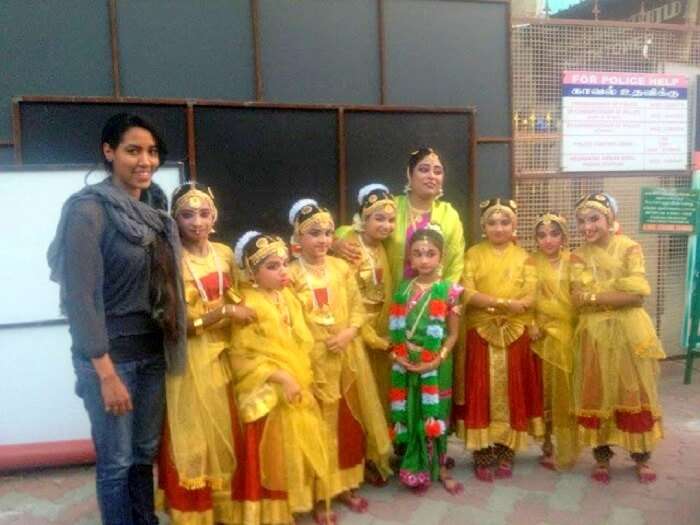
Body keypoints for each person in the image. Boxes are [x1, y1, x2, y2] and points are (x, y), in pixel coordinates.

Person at [47, 113, 186, 524]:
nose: (145, 160)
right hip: (111, 359)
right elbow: (79, 298)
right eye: (133, 150)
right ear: (109, 153)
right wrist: (105, 373)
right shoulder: (88, 211)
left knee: (143, 454)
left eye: (152, 151)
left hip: (152, 354)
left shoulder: (156, 211)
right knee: (116, 461)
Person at [287, 199, 392, 525]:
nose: (322, 240)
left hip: (347, 357)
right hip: (311, 363)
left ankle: (345, 485)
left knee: (347, 425)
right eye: (314, 233)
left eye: (328, 233)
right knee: (317, 429)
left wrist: (348, 333)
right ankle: (320, 495)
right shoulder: (290, 274)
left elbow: (358, 309)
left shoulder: (341, 268)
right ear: (298, 238)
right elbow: (289, 319)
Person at [157, 182, 255, 523]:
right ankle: (194, 512)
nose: (196, 222)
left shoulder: (226, 254)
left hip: (227, 353)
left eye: (203, 213)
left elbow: (245, 295)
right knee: (194, 434)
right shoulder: (169, 259)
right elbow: (174, 323)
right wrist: (223, 313)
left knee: (228, 429)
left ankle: (227, 508)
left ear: (214, 216)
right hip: (191, 358)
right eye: (187, 214)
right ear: (174, 219)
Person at [226, 231, 330, 525]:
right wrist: (281, 377)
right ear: (252, 272)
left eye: (284, 263)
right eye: (272, 266)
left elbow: (303, 339)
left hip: (297, 383)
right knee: (273, 453)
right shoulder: (248, 304)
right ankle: (273, 511)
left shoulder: (288, 297)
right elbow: (241, 355)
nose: (283, 271)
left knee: (297, 447)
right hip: (268, 393)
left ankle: (298, 503)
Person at [570, 193, 664, 484]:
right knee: (595, 391)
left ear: (610, 219)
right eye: (582, 220)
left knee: (634, 391)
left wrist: (595, 295)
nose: (588, 226)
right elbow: (576, 299)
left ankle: (641, 455)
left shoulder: (629, 248)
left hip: (629, 332)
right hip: (593, 333)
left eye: (594, 218)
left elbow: (636, 296)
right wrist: (613, 293)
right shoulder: (577, 255)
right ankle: (601, 456)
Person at [454, 198, 544, 482]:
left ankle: (507, 451)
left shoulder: (525, 257)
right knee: (480, 389)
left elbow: (531, 296)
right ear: (483, 227)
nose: (499, 228)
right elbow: (467, 292)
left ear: (514, 225)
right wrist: (504, 304)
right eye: (492, 223)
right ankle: (482, 452)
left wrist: (507, 307)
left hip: (515, 334)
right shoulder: (473, 254)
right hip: (480, 331)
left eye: (505, 222)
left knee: (512, 389)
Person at [388, 226, 463, 494]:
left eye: (430, 254)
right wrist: (397, 353)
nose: (423, 259)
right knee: (409, 411)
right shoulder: (404, 288)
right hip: (406, 360)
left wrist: (436, 360)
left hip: (436, 363)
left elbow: (453, 335)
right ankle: (413, 464)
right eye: (417, 254)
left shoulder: (450, 291)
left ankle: (440, 468)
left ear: (441, 257)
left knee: (435, 413)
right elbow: (395, 327)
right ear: (410, 258)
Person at [335, 148, 465, 289]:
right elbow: (359, 229)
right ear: (409, 174)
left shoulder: (449, 214)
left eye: (438, 172)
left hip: (433, 301)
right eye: (424, 169)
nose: (431, 176)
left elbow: (455, 264)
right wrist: (335, 242)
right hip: (391, 297)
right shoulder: (391, 207)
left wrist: (445, 297)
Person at [336, 183, 396, 420]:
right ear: (363, 217)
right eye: (379, 219)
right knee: (358, 393)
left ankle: (377, 450)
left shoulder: (383, 246)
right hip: (355, 329)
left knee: (380, 391)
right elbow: (347, 294)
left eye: (391, 220)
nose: (386, 225)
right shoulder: (348, 243)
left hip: (381, 328)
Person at [528, 212, 579, 470]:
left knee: (565, 392)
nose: (548, 240)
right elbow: (524, 295)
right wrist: (532, 324)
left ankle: (567, 444)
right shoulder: (530, 262)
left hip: (567, 335)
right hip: (540, 336)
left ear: (563, 236)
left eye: (554, 234)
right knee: (542, 391)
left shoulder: (574, 261)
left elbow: (579, 297)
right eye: (542, 235)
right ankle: (546, 444)